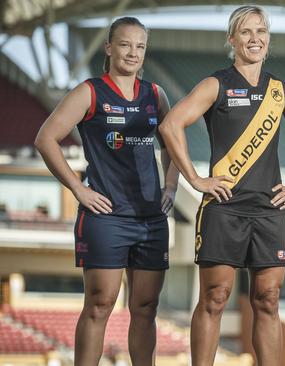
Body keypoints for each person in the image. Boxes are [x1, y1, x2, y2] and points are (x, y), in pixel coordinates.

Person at [158, 5, 285, 366]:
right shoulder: (216, 83)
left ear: (269, 39)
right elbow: (171, 126)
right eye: (246, 32)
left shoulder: (280, 90)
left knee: (268, 299)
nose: (254, 39)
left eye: (261, 31)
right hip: (224, 207)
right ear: (232, 39)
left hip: (269, 210)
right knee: (215, 296)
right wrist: (196, 179)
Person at [34, 17, 178, 366]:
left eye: (140, 46)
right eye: (125, 44)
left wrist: (170, 185)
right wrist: (77, 190)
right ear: (109, 47)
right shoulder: (90, 91)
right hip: (106, 218)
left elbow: (173, 144)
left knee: (145, 308)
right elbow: (45, 139)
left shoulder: (155, 95)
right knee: (100, 304)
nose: (133, 52)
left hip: (150, 219)